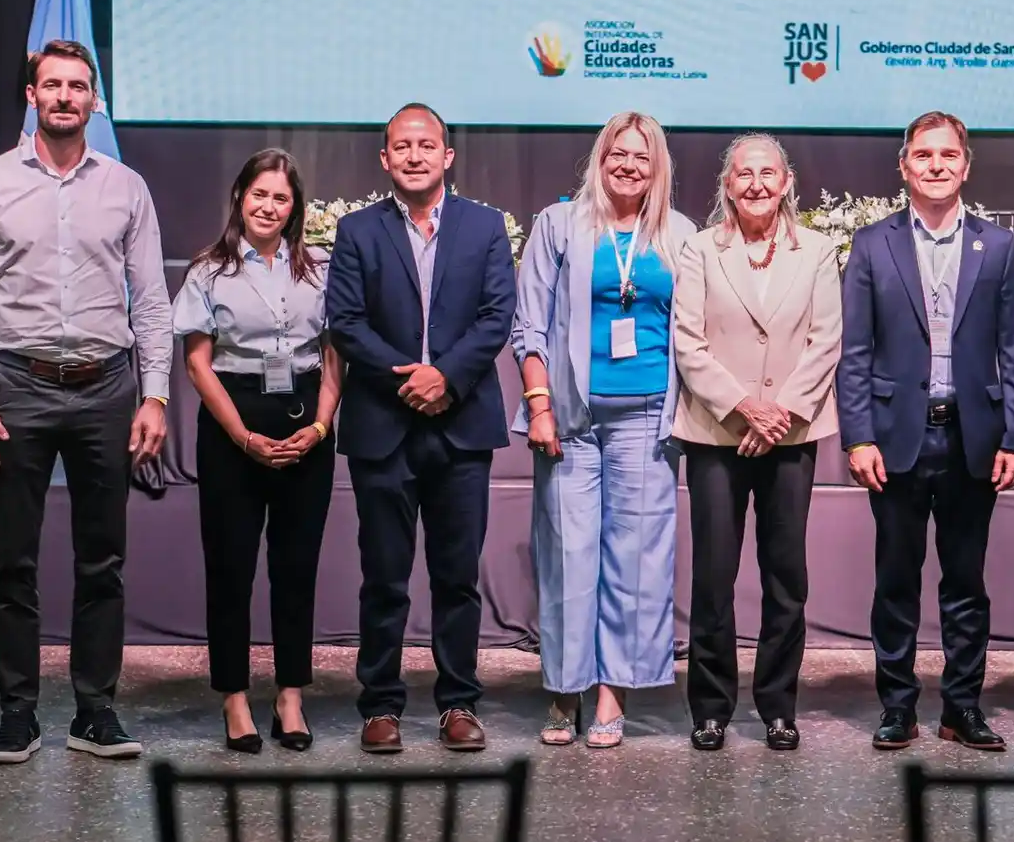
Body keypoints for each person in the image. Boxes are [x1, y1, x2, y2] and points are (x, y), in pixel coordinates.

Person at [0, 40, 171, 764]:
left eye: (78, 86)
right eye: (53, 85)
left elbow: (154, 304)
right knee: (14, 560)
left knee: (102, 558)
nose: (66, 96)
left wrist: (156, 395)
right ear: (32, 96)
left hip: (108, 386)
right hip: (17, 387)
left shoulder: (126, 188)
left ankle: (95, 711)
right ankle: (18, 713)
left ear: (94, 99)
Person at [836, 110, 1014, 752]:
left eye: (948, 155)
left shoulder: (999, 247)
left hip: (972, 440)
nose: (937, 165)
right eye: (924, 155)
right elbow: (855, 352)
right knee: (895, 581)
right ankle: (897, 707)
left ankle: (962, 707)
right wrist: (857, 436)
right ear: (904, 165)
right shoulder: (873, 244)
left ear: (966, 165)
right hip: (896, 439)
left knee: (965, 584)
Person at [326, 103, 516, 753]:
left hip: (462, 426)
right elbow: (346, 322)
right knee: (384, 576)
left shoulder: (486, 226)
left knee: (456, 576)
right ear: (385, 159)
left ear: (447, 155)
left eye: (425, 144)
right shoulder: (357, 230)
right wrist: (411, 377)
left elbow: (497, 316)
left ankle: (458, 702)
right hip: (383, 423)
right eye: (401, 146)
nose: (414, 154)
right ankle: (380, 706)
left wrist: (447, 378)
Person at [511, 111, 695, 748]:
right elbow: (529, 326)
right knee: (568, 555)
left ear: (658, 167)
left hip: (648, 419)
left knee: (636, 561)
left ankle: (612, 692)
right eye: (618, 153)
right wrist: (539, 406)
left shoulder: (679, 233)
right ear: (600, 156)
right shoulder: (558, 224)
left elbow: (691, 330)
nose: (628, 166)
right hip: (569, 418)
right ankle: (566, 691)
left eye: (642, 157)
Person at [671, 133, 842, 751]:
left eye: (769, 173)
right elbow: (687, 341)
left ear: (788, 181)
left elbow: (826, 341)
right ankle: (711, 706)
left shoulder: (819, 251)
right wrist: (744, 408)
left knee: (785, 576)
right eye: (744, 174)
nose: (757, 184)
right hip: (718, 431)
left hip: (791, 435)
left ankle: (777, 705)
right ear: (727, 184)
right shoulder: (699, 251)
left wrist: (781, 414)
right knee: (714, 577)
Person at [173, 149, 342, 754]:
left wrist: (321, 428)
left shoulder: (319, 269)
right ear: (240, 197)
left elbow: (331, 355)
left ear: (295, 207)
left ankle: (291, 694)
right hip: (231, 426)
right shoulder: (208, 272)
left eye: (282, 198)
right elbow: (197, 362)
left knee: (296, 569)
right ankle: (236, 700)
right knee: (231, 569)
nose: (269, 207)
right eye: (259, 194)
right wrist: (242, 436)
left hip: (305, 426)